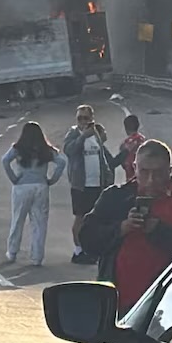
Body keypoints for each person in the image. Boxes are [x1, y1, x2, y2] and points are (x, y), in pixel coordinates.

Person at [79, 140, 172, 314]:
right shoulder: (115, 198)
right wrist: (122, 228)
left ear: (170, 171)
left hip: (168, 309)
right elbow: (87, 240)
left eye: (159, 173)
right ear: (135, 168)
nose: (151, 180)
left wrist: (158, 231)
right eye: (144, 172)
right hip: (119, 307)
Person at [1, 122, 68, 266]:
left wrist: (13, 178)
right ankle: (37, 257)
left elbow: (5, 160)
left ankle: (12, 252)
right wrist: (52, 180)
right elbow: (61, 162)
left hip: (22, 187)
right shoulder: (46, 149)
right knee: (39, 223)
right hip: (41, 186)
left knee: (18, 219)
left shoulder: (18, 148)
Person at [63, 104, 113, 265]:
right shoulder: (73, 133)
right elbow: (69, 151)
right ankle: (78, 251)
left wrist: (107, 178)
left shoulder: (97, 134)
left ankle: (92, 250)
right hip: (81, 185)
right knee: (80, 218)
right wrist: (83, 136)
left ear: (92, 118)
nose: (82, 121)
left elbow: (102, 156)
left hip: (97, 183)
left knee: (96, 219)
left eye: (86, 118)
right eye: (79, 118)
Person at [115, 114, 146, 180]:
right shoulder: (143, 140)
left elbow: (122, 161)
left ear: (126, 128)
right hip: (143, 176)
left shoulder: (125, 144)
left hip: (130, 176)